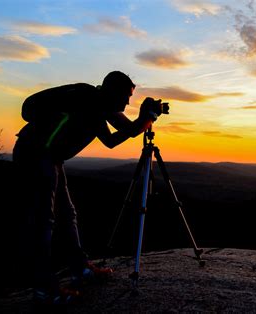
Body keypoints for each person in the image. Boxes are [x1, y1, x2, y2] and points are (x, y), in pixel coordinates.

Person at [13, 71, 165, 305]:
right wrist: (145, 119)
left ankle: (80, 268)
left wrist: (148, 118)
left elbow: (124, 133)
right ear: (112, 91)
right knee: (44, 222)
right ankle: (45, 288)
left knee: (67, 215)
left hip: (50, 158)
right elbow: (115, 138)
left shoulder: (100, 105)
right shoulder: (89, 100)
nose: (127, 102)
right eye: (126, 96)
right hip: (35, 155)